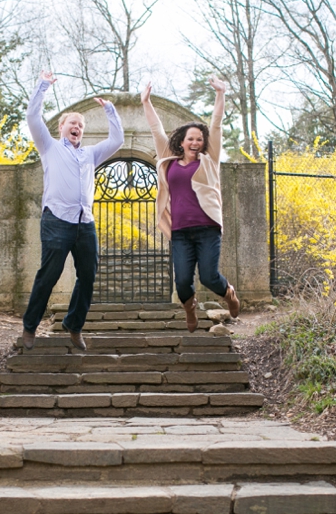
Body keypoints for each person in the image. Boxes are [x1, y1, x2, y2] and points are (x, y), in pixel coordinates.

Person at [21, 70, 124, 351]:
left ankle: (73, 324)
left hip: (85, 223)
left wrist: (110, 111)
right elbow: (32, 117)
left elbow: (117, 141)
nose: (76, 126)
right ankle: (30, 327)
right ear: (61, 127)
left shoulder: (90, 154)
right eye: (72, 122)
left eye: (80, 124)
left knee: (88, 275)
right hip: (56, 219)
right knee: (49, 275)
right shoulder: (49, 147)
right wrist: (43, 86)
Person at [140, 75, 240, 333]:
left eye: (199, 139)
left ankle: (229, 294)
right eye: (190, 139)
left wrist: (221, 94)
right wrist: (146, 102)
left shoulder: (209, 160)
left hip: (207, 228)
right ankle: (190, 309)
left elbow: (216, 125)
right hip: (181, 231)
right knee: (182, 281)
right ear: (181, 142)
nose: (195, 143)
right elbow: (156, 129)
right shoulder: (168, 161)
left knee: (208, 277)